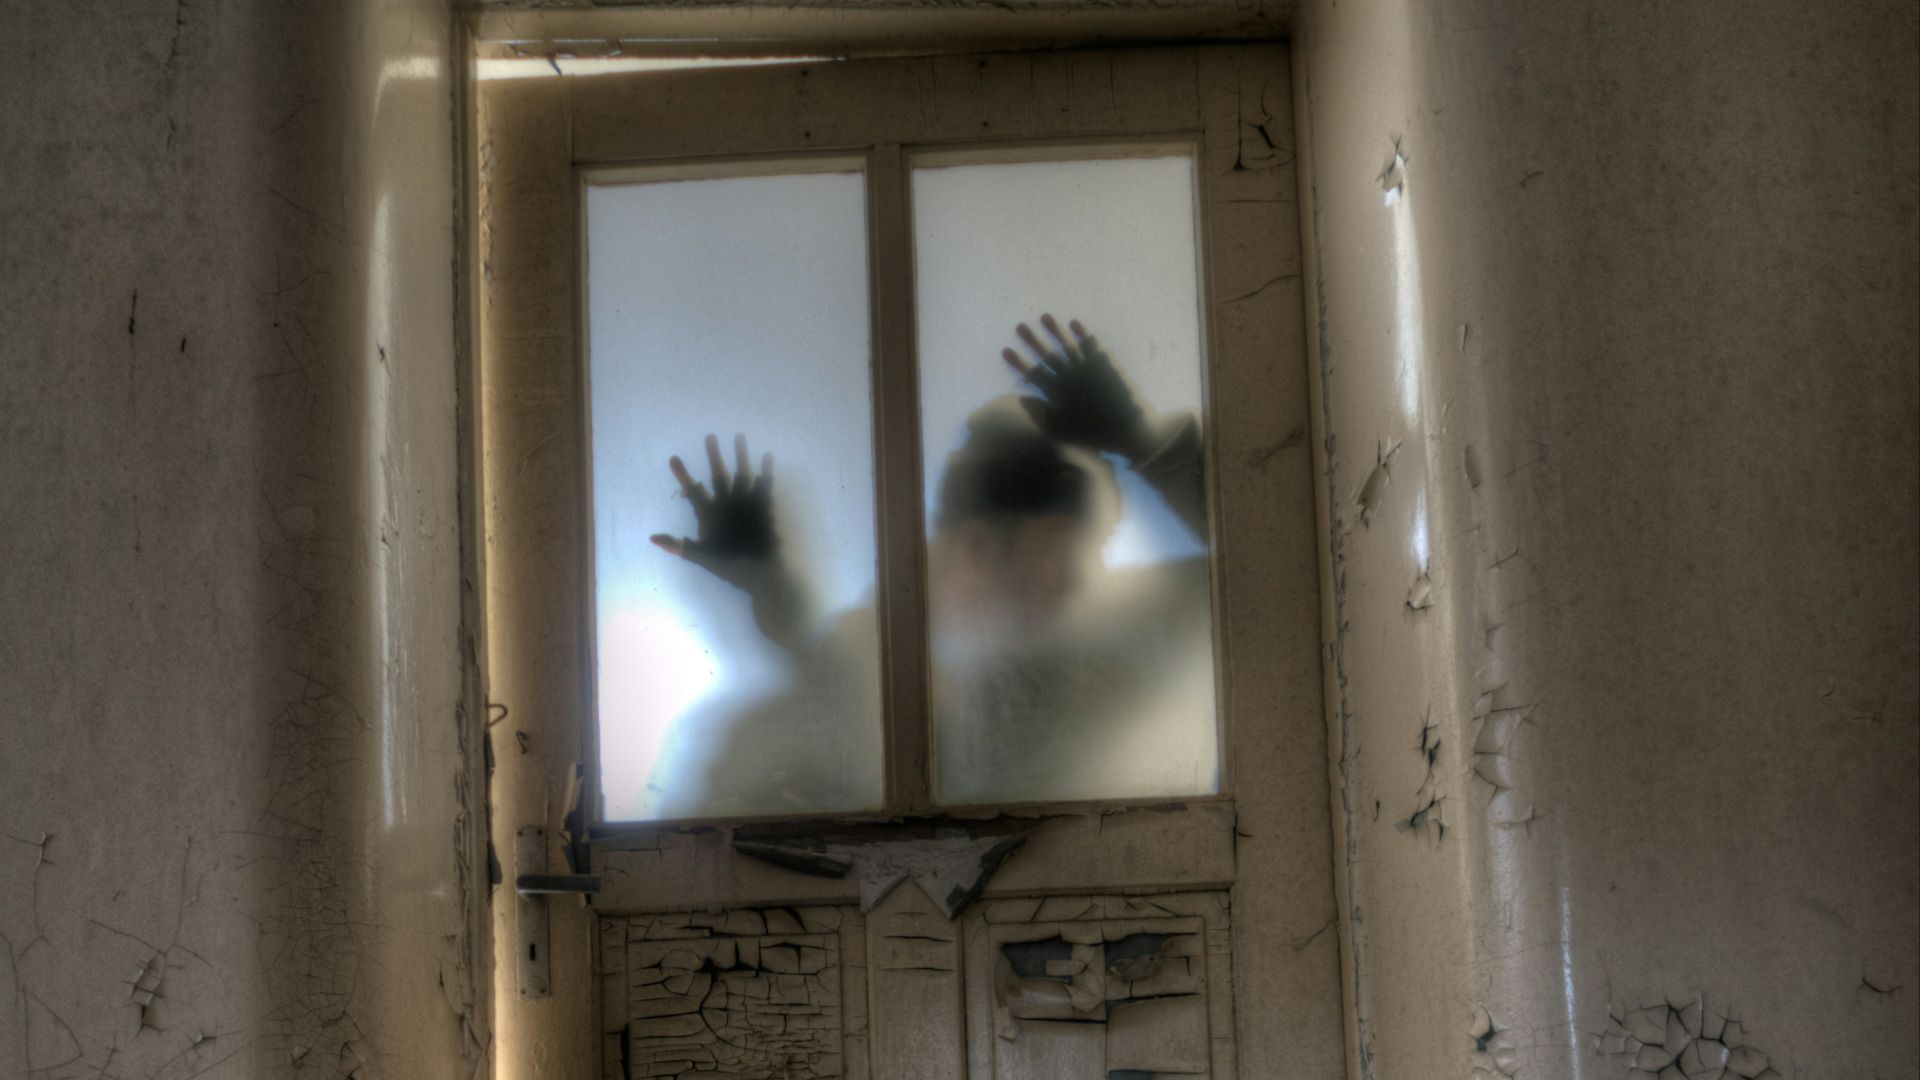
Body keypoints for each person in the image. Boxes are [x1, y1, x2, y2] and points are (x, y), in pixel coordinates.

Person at [647, 316, 1213, 812]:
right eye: (1057, 547)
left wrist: (1141, 439)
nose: (1077, 576)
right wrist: (772, 592)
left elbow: (1260, 575)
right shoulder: (849, 692)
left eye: (1094, 547)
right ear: (977, 546)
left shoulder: (1117, 661)